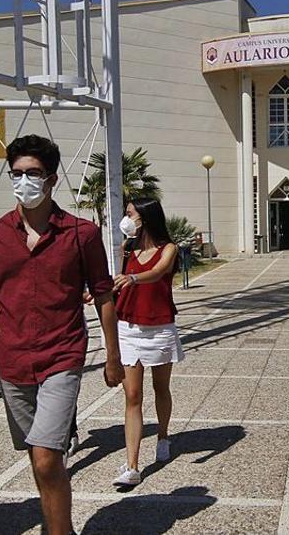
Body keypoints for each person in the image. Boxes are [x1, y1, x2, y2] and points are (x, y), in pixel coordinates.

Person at [0, 135, 124, 535]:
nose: (23, 181)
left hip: (63, 355)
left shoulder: (80, 234)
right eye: (16, 174)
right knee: (38, 455)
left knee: (47, 456)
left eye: (32, 173)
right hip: (13, 361)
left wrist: (113, 356)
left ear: (51, 179)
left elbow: (103, 294)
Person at [110, 197, 183, 487]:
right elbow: (117, 281)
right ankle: (132, 466)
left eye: (130, 213)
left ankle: (163, 436)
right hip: (128, 327)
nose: (126, 218)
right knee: (132, 395)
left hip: (160, 327)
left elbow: (158, 271)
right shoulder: (127, 248)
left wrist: (133, 278)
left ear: (145, 217)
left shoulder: (169, 249)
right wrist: (103, 292)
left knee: (160, 388)